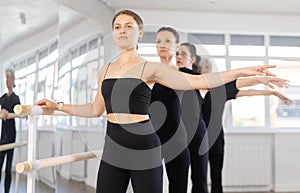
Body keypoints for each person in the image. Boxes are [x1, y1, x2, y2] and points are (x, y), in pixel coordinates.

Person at [35, 9, 279, 193]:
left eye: (128, 26)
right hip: (114, 146)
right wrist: (58, 106)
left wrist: (242, 71)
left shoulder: (150, 68)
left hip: (144, 146)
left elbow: (199, 82)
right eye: (117, 26)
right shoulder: (105, 69)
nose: (122, 30)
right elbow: (95, 109)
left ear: (139, 33)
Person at [198, 57, 291, 193]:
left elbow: (248, 92)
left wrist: (272, 92)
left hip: (216, 136)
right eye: (201, 67)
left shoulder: (220, 89)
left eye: (207, 67)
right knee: (199, 175)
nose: (204, 70)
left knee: (216, 175)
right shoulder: (192, 89)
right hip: (198, 137)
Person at [150, 26, 190, 193]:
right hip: (151, 139)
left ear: (177, 45)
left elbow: (215, 82)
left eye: (167, 41)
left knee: (178, 188)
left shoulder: (184, 74)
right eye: (158, 41)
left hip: (177, 139)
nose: (162, 44)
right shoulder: (148, 73)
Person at [0, 68, 21, 193]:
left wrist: (9, 112)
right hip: (3, 137)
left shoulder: (16, 98)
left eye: (9, 77)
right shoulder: (2, 98)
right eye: (6, 78)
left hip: (12, 135)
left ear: (13, 80)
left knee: (8, 168)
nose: (7, 80)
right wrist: (2, 111)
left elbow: (19, 111)